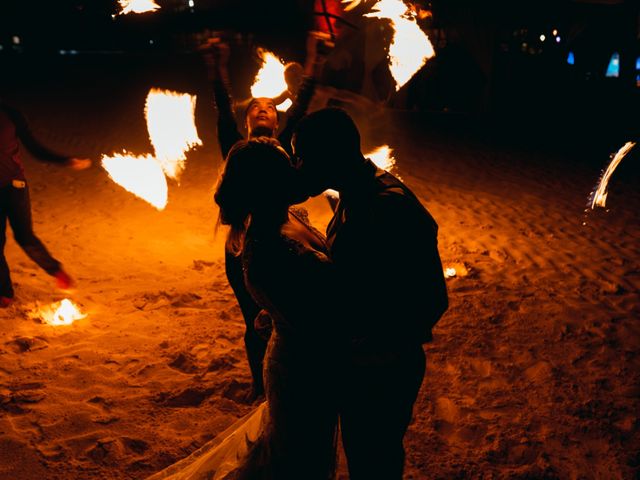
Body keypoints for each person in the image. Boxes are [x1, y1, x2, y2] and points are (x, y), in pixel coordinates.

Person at [148, 138, 341, 480]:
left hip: (308, 359)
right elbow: (315, 307)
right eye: (286, 168)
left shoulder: (293, 216)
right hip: (301, 369)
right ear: (267, 185)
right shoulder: (267, 246)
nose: (295, 171)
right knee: (298, 462)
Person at [293, 107, 449, 479]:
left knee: (373, 462)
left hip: (382, 369)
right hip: (371, 364)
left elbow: (432, 298)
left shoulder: (386, 206)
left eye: (303, 156)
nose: (297, 165)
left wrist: (371, 346)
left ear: (329, 156)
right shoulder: (357, 191)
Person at [201, 33, 327, 400]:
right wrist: (218, 67)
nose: (262, 109)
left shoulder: (284, 145)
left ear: (276, 122)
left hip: (281, 237)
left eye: (269, 108)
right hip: (240, 246)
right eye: (255, 107)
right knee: (252, 320)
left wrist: (314, 59)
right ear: (246, 120)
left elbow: (301, 104)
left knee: (280, 319)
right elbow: (223, 109)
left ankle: (282, 382)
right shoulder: (235, 149)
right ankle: (261, 387)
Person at [0, 100, 91, 308]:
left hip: (15, 186)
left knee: (25, 237)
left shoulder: (11, 114)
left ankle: (57, 271)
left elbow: (35, 148)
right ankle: (4, 292)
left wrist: (65, 160)